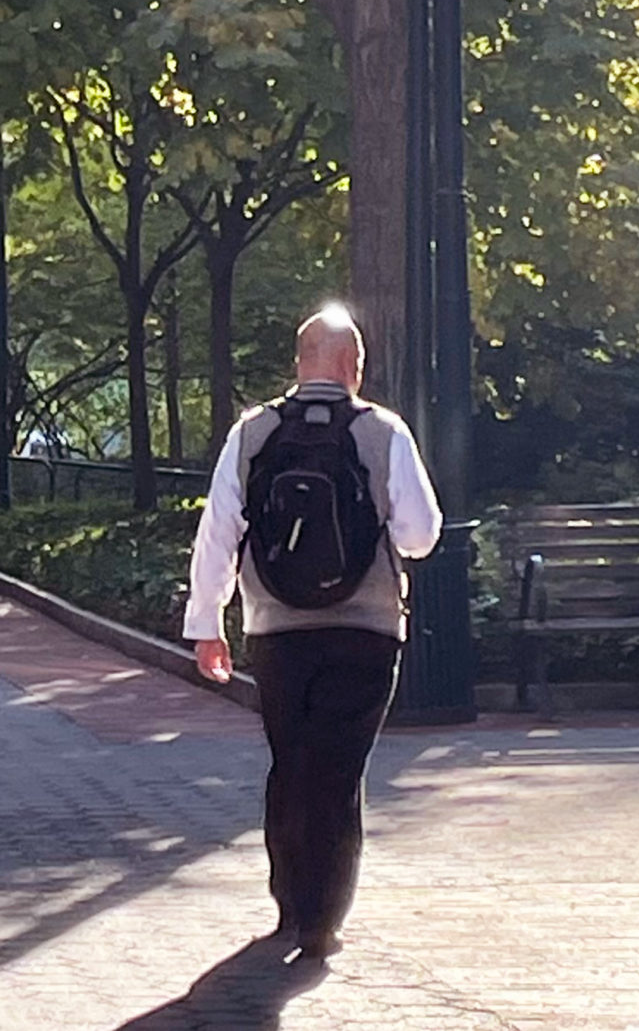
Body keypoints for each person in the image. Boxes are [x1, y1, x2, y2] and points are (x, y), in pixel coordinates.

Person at [185, 304, 441, 959]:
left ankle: (288, 903)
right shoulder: (384, 431)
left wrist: (207, 624)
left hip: (276, 628)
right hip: (366, 628)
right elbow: (419, 534)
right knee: (339, 767)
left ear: (299, 363)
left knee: (291, 760)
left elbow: (218, 532)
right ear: (354, 365)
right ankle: (323, 917)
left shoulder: (254, 431)